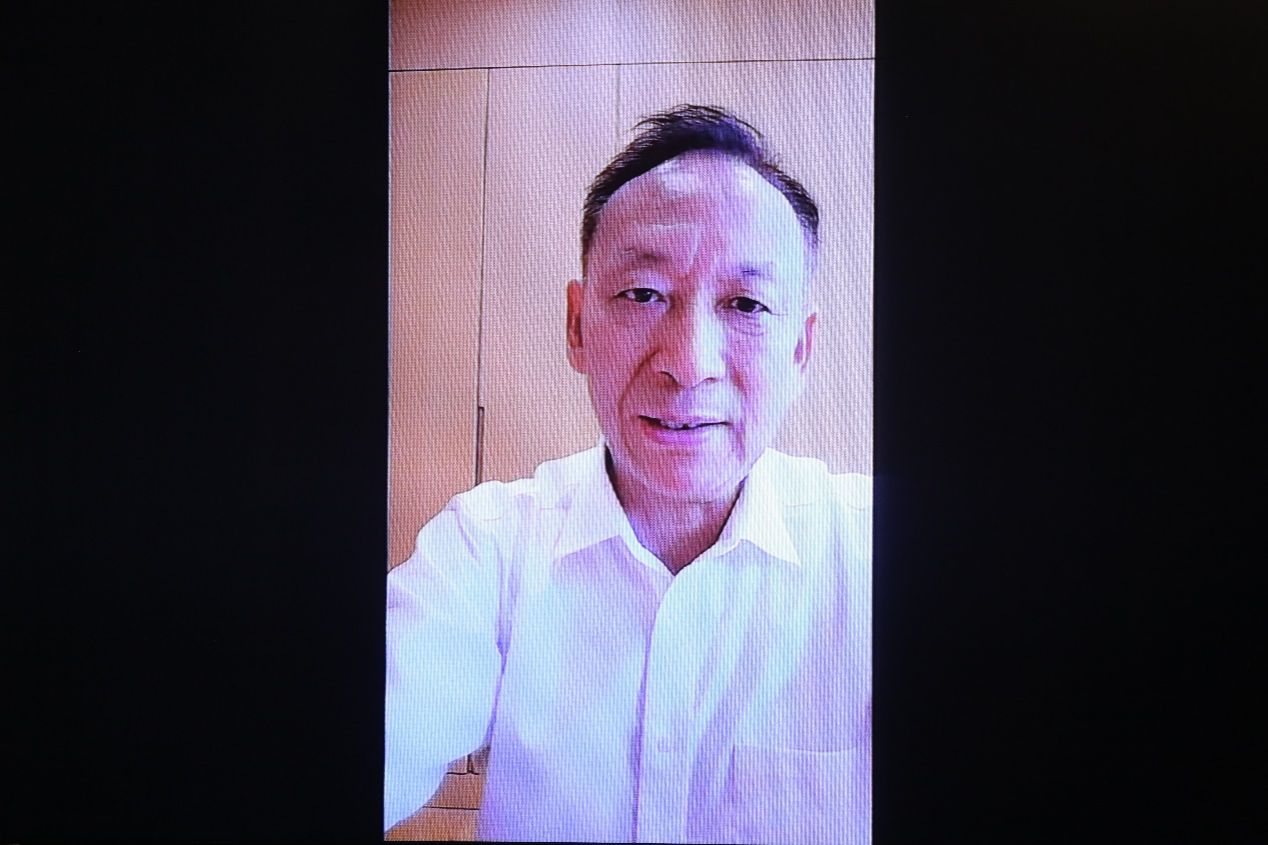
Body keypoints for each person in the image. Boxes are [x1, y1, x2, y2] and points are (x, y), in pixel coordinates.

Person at [385, 105, 871, 844]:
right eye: (643, 294)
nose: (689, 363)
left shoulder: (872, 555)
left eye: (746, 303)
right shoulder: (488, 548)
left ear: (800, 350)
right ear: (578, 325)